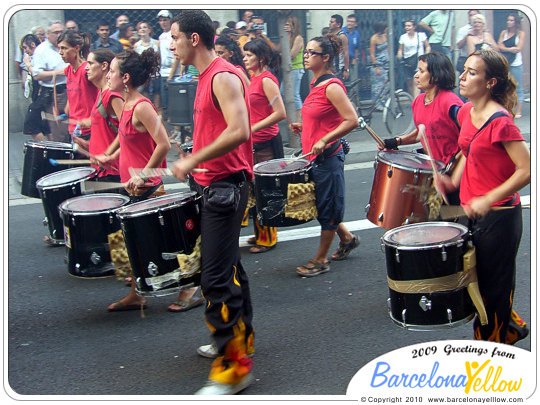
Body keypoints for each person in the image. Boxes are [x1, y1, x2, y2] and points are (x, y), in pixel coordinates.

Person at [169, 10, 255, 395]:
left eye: (174, 37)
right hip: (214, 184)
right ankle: (242, 343)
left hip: (226, 187)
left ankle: (232, 368)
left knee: (214, 278)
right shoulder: (206, 76)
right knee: (230, 268)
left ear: (193, 39)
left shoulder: (221, 75)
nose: (171, 45)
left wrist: (192, 158)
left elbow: (240, 131)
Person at [438, 49, 530, 345]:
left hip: (500, 217)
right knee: (473, 281)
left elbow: (526, 170)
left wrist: (488, 198)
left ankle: (489, 352)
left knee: (492, 292)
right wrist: (452, 180)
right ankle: (511, 327)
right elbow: (467, 149)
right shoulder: (466, 111)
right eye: (463, 70)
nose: (462, 77)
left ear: (490, 82)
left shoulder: (501, 122)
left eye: (472, 73)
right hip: (469, 209)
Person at [96, 49, 171, 311]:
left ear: (125, 77)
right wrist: (111, 156)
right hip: (135, 186)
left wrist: (142, 174)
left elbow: (164, 144)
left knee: (165, 243)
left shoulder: (142, 106)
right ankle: (136, 294)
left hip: (148, 187)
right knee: (135, 243)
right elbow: (129, 143)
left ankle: (191, 290)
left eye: (113, 71)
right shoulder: (126, 105)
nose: (108, 75)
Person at [289, 35, 360, 277]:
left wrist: (324, 139)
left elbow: (352, 120)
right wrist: (304, 127)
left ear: (326, 57)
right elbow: (324, 118)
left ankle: (321, 260)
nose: (306, 56)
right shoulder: (316, 84)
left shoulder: (331, 86)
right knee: (322, 204)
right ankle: (347, 238)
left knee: (327, 208)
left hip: (328, 157)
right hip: (315, 157)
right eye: (306, 52)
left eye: (312, 52)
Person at [382, 52, 463, 204]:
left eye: (421, 71)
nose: (416, 75)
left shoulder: (451, 103)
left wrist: (454, 170)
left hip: (455, 174)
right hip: (433, 172)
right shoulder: (418, 101)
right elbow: (422, 132)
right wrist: (395, 142)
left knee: (455, 221)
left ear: (437, 75)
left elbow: (471, 136)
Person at [243, 38, 286, 254]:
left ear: (260, 58)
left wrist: (252, 128)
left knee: (265, 191)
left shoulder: (267, 80)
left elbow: (280, 113)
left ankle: (268, 238)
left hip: (266, 143)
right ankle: (261, 233)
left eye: (249, 55)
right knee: (254, 189)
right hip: (254, 143)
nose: (245, 58)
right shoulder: (253, 78)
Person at [85, 48, 123, 182]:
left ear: (104, 66)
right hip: (100, 169)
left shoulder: (111, 95)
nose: (86, 68)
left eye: (90, 63)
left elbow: (127, 129)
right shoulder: (100, 92)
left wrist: (107, 154)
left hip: (111, 170)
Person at [57, 30, 98, 142]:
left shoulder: (86, 70)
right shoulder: (68, 70)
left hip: (89, 130)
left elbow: (102, 95)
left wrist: (92, 119)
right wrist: (67, 110)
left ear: (76, 48)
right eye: (59, 48)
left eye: (64, 48)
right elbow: (73, 95)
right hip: (74, 128)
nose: (60, 52)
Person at [31, 20, 69, 142]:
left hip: (72, 91)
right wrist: (58, 73)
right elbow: (37, 75)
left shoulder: (68, 46)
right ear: (48, 34)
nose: (59, 35)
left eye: (62, 32)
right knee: (60, 130)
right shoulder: (41, 50)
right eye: (56, 32)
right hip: (55, 93)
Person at [21, 34, 51, 141]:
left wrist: (28, 65)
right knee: (46, 125)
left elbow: (37, 75)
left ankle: (45, 147)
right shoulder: (35, 57)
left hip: (44, 95)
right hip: (39, 96)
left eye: (25, 48)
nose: (25, 51)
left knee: (31, 122)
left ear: (32, 44)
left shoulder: (39, 56)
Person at [498, 12, 526, 119]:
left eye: (511, 20)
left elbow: (518, 48)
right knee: (505, 85)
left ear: (516, 22)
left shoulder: (520, 33)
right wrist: (510, 49)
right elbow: (499, 46)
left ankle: (518, 110)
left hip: (516, 63)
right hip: (505, 61)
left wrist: (505, 48)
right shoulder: (504, 32)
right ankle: (506, 108)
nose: (509, 22)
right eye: (508, 20)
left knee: (517, 86)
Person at [157, 10, 181, 119]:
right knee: (165, 104)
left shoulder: (173, 35)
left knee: (175, 104)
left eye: (165, 20)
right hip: (163, 73)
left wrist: (171, 76)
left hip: (173, 74)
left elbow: (176, 56)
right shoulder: (161, 37)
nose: (163, 22)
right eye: (161, 20)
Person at [397, 19, 430, 98]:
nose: (407, 27)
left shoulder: (421, 35)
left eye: (409, 26)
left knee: (416, 82)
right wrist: (399, 54)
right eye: (406, 26)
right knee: (410, 83)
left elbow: (427, 46)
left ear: (414, 27)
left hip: (419, 61)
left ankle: (416, 101)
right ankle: (413, 100)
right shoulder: (403, 37)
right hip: (408, 62)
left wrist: (426, 56)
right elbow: (400, 49)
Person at [282, 16, 305, 122]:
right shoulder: (287, 37)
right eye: (285, 24)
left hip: (296, 68)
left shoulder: (298, 38)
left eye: (288, 24)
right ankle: (292, 116)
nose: (285, 26)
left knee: (295, 94)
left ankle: (300, 118)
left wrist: (281, 55)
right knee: (283, 91)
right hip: (289, 69)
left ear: (293, 26)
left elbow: (292, 55)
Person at [134, 21, 160, 109]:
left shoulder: (157, 43)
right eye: (140, 28)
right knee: (146, 99)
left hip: (155, 74)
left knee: (157, 100)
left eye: (145, 27)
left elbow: (160, 59)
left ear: (149, 29)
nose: (143, 29)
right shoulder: (136, 46)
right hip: (144, 75)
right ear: (138, 32)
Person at [369, 21, 389, 108]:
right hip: (378, 64)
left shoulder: (385, 36)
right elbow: (372, 54)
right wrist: (376, 67)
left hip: (386, 64)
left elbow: (388, 47)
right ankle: (378, 105)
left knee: (386, 85)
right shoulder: (373, 39)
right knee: (378, 86)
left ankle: (386, 103)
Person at [455, 10, 481, 77]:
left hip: (479, 60)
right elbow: (458, 46)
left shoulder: (482, 29)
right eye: (470, 15)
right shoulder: (463, 30)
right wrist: (467, 36)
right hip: (465, 58)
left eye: (475, 15)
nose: (472, 17)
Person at [328, 14, 350, 81]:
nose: (330, 24)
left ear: (338, 24)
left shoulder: (342, 36)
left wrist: (346, 69)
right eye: (330, 22)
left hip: (339, 67)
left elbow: (346, 53)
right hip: (331, 66)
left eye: (332, 22)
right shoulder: (330, 34)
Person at [345, 14, 361, 82]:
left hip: (351, 61)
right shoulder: (341, 32)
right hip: (342, 61)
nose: (349, 23)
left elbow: (357, 48)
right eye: (348, 21)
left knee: (351, 81)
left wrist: (355, 58)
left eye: (352, 22)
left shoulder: (356, 34)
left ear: (356, 24)